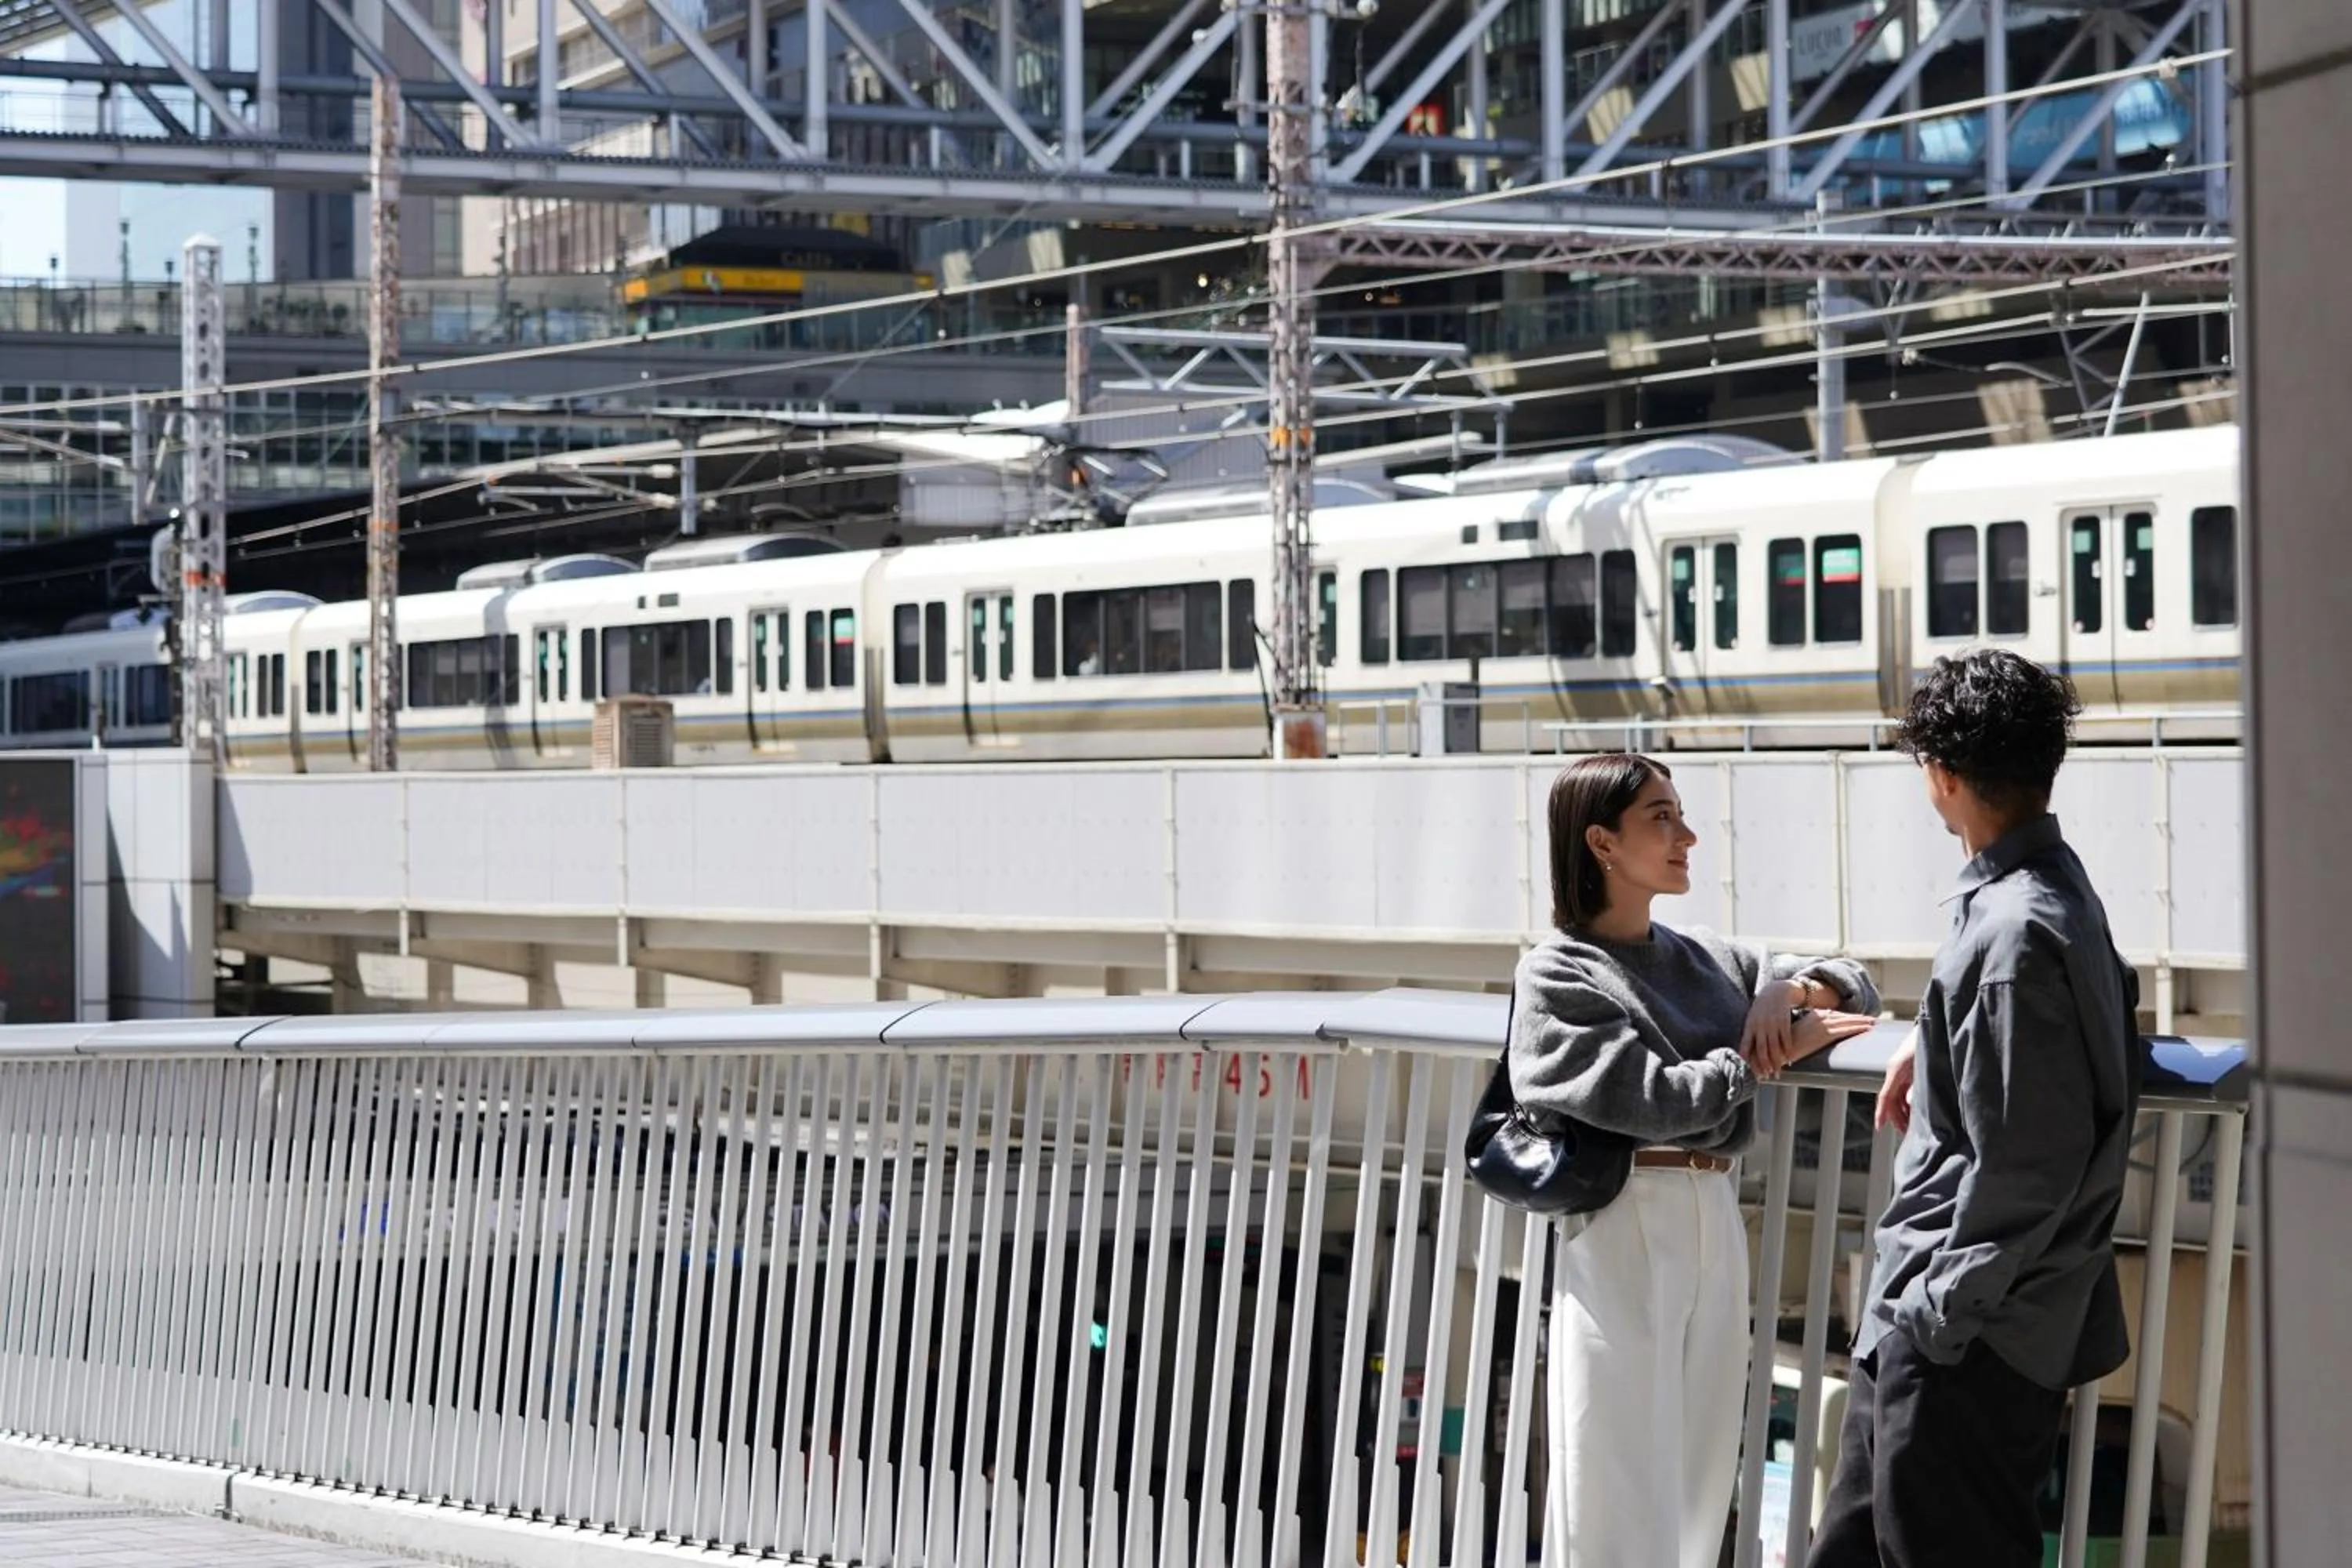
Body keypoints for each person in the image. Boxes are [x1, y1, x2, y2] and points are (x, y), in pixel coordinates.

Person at [1808, 650, 2141, 1568]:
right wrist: (1935, 1027)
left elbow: (2030, 1160)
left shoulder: (2011, 934)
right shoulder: (2045, 898)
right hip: (1945, 1326)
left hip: (1964, 1336)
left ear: (1942, 777)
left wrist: (1938, 1311)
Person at [1510, 752, 1881, 1568]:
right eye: (1662, 817)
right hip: (1623, 1212)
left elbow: (1861, 983)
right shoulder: (1558, 969)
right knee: (1611, 1471)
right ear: (1602, 842)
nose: (1689, 835)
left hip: (1715, 1208)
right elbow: (1650, 1097)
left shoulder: (1711, 955)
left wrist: (1792, 993)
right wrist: (1757, 1059)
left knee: (1703, 1470)